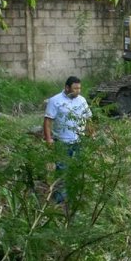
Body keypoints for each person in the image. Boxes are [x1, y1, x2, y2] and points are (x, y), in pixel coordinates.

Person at [44, 75, 92, 203]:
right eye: (75, 88)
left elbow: (88, 119)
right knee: (62, 170)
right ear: (66, 88)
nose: (78, 91)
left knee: (77, 169)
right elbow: (48, 122)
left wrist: (91, 134)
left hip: (79, 141)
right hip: (62, 142)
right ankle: (59, 199)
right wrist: (49, 139)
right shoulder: (55, 101)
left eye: (79, 88)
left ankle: (73, 196)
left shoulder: (82, 101)